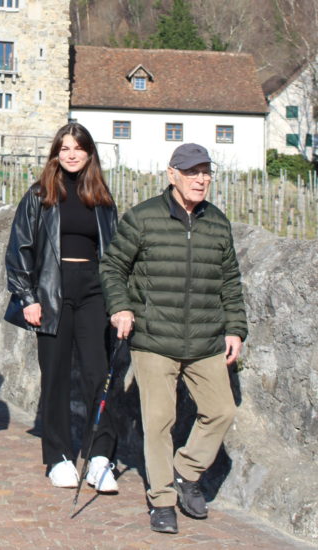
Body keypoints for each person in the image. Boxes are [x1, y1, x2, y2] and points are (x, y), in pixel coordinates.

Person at [99, 143, 247, 534]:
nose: (201, 179)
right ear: (172, 174)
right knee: (159, 422)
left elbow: (230, 282)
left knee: (222, 410)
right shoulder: (143, 217)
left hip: (205, 339)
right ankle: (162, 500)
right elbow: (113, 266)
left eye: (206, 172)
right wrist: (121, 307)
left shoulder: (217, 222)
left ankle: (186, 470)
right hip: (153, 338)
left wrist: (235, 328)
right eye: (192, 171)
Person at [4, 122, 119, 492]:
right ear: (56, 153)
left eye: (78, 148)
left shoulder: (101, 198)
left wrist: (118, 302)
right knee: (55, 376)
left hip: (93, 293)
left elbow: (114, 253)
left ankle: (100, 457)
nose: (71, 154)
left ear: (89, 153)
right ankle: (58, 457)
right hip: (52, 292)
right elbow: (20, 248)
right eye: (64, 148)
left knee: (98, 374)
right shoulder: (40, 195)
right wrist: (28, 298)